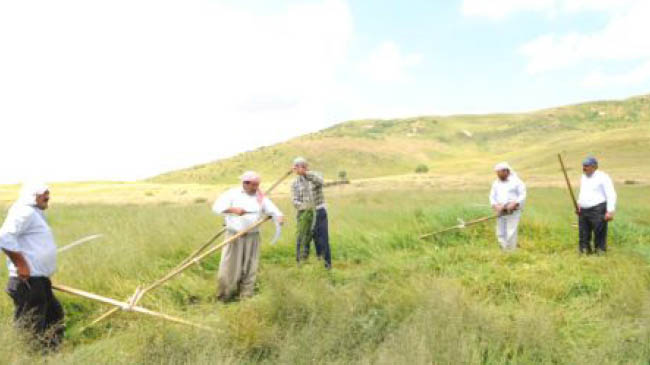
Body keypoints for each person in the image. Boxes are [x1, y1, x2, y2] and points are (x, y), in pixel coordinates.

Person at [0, 182, 64, 350]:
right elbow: (4, 237)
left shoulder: (34, 212)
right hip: (28, 282)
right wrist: (21, 264)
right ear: (32, 194)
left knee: (54, 316)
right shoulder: (24, 211)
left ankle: (50, 357)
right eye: (44, 192)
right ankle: (27, 358)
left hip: (39, 281)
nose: (48, 195)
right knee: (30, 328)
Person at [212, 171, 284, 301]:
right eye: (254, 185)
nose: (256, 188)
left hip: (253, 236)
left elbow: (273, 209)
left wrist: (278, 217)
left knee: (250, 267)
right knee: (230, 267)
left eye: (258, 185)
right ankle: (225, 296)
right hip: (235, 235)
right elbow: (216, 208)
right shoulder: (232, 194)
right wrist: (233, 210)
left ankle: (246, 296)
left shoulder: (260, 196)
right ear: (245, 183)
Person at [291, 157, 331, 269]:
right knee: (302, 240)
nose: (301, 168)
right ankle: (301, 266)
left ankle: (325, 267)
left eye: (303, 166)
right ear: (294, 169)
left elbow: (321, 182)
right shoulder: (294, 183)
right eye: (298, 166)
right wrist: (304, 207)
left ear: (307, 167)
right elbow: (295, 200)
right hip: (304, 214)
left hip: (319, 212)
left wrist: (305, 174)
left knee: (322, 240)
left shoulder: (315, 175)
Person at [576, 156, 617, 254]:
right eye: (583, 166)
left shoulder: (603, 177)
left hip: (598, 209)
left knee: (599, 232)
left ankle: (600, 252)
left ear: (594, 167)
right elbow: (582, 192)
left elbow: (611, 194)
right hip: (584, 210)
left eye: (586, 166)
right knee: (583, 232)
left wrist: (610, 211)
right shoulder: (583, 177)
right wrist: (579, 204)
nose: (584, 168)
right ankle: (584, 251)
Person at [489, 162, 527, 251]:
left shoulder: (517, 182)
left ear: (506, 171)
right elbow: (492, 196)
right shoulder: (496, 183)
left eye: (499, 173)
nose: (498, 175)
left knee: (511, 231)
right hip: (500, 210)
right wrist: (495, 205)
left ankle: (511, 252)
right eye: (497, 173)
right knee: (500, 232)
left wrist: (515, 203)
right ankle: (504, 249)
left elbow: (522, 195)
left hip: (513, 210)